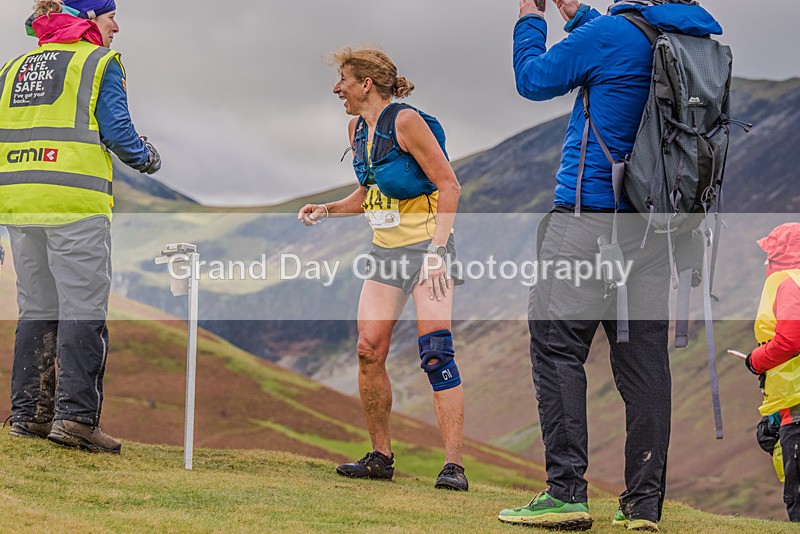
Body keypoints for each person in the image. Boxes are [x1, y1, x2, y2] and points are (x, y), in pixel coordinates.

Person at [498, 0, 723, 530]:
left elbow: (533, 79)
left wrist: (530, 18)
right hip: (654, 230)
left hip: (587, 222)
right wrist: (580, 14)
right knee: (645, 367)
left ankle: (566, 493)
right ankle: (643, 506)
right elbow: (623, 55)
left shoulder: (615, 36)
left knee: (556, 348)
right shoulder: (697, 43)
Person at [297, 47, 467, 491]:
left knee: (435, 352)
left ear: (366, 84)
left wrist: (437, 249)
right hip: (385, 251)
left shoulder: (406, 122)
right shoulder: (356, 128)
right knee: (368, 349)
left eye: (344, 82)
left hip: (429, 248)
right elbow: (367, 193)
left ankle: (453, 466)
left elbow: (449, 185)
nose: (338, 90)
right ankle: (381, 457)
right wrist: (327, 209)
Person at [0, 0, 161, 454]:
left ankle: (29, 415)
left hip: (17, 203)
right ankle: (76, 419)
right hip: (73, 202)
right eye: (111, 17)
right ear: (89, 18)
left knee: (37, 308)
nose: (117, 26)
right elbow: (119, 134)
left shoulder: (13, 67)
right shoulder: (99, 62)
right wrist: (148, 157)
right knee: (83, 307)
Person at [740, 223, 800, 522]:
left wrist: (756, 360)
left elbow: (791, 339)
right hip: (790, 404)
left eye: (770, 254)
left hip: (797, 403)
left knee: (798, 497)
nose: (766, 261)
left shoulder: (789, 283)